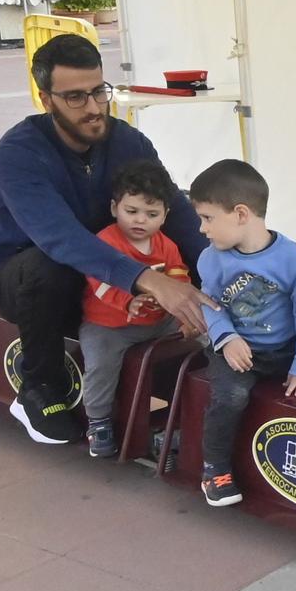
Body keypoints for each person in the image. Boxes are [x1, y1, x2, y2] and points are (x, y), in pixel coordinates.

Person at [0, 33, 211, 445]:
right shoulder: (18, 153)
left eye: (99, 92)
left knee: (193, 253)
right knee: (50, 266)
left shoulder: (127, 141)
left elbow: (172, 207)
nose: (93, 108)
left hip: (105, 277)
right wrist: (151, 280)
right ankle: (38, 387)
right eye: (75, 98)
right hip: (26, 277)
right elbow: (61, 239)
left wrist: (222, 272)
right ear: (45, 98)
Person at [189, 159, 296, 511]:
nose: (201, 228)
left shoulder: (294, 259)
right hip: (239, 352)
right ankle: (215, 469)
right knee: (232, 397)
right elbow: (209, 303)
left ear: (241, 213)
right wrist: (226, 339)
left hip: (284, 350)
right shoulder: (212, 258)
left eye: (208, 218)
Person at [78, 158, 192, 459]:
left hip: (158, 322)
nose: (140, 220)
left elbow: (178, 271)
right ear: (115, 208)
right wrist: (128, 301)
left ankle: (188, 410)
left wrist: (183, 311)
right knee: (100, 362)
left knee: (200, 341)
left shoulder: (165, 244)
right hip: (110, 325)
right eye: (132, 211)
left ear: (165, 215)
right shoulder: (105, 241)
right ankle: (98, 420)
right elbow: (98, 283)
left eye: (151, 214)